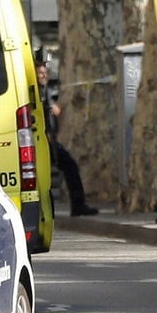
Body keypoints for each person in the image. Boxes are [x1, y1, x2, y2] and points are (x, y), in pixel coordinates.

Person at [36, 61, 98, 217]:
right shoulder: (36, 91)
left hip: (49, 140)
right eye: (40, 73)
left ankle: (78, 206)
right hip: (42, 140)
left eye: (45, 73)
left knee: (70, 167)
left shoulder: (45, 90)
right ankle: (76, 206)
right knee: (68, 167)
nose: (43, 76)